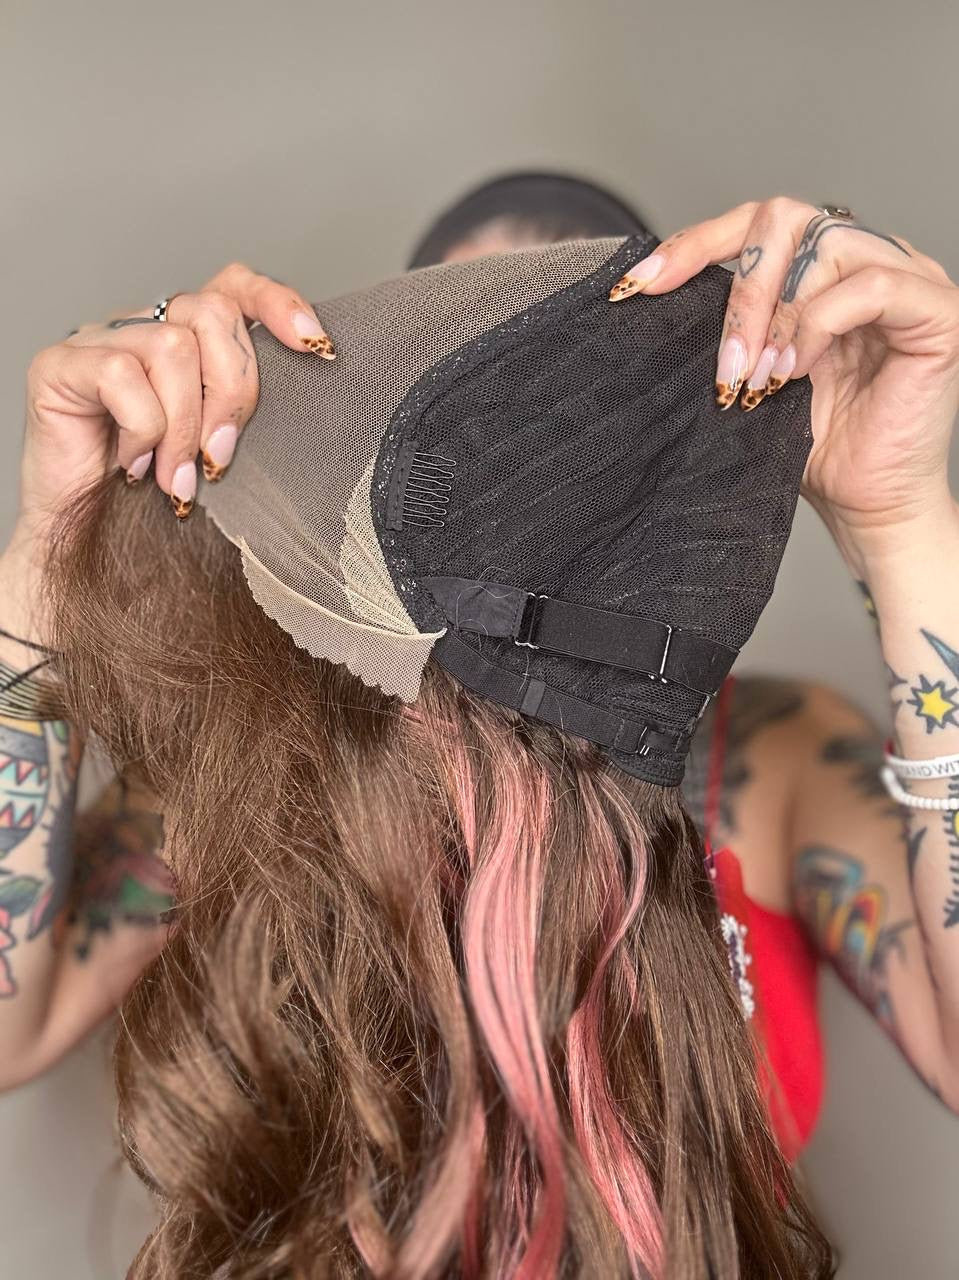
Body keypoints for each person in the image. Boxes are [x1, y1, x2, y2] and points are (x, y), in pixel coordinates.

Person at [0, 178, 955, 1277]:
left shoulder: (777, 758)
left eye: (590, 379)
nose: (539, 471)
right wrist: (45, 549)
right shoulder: (268, 766)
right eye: (479, 386)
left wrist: (900, 519)